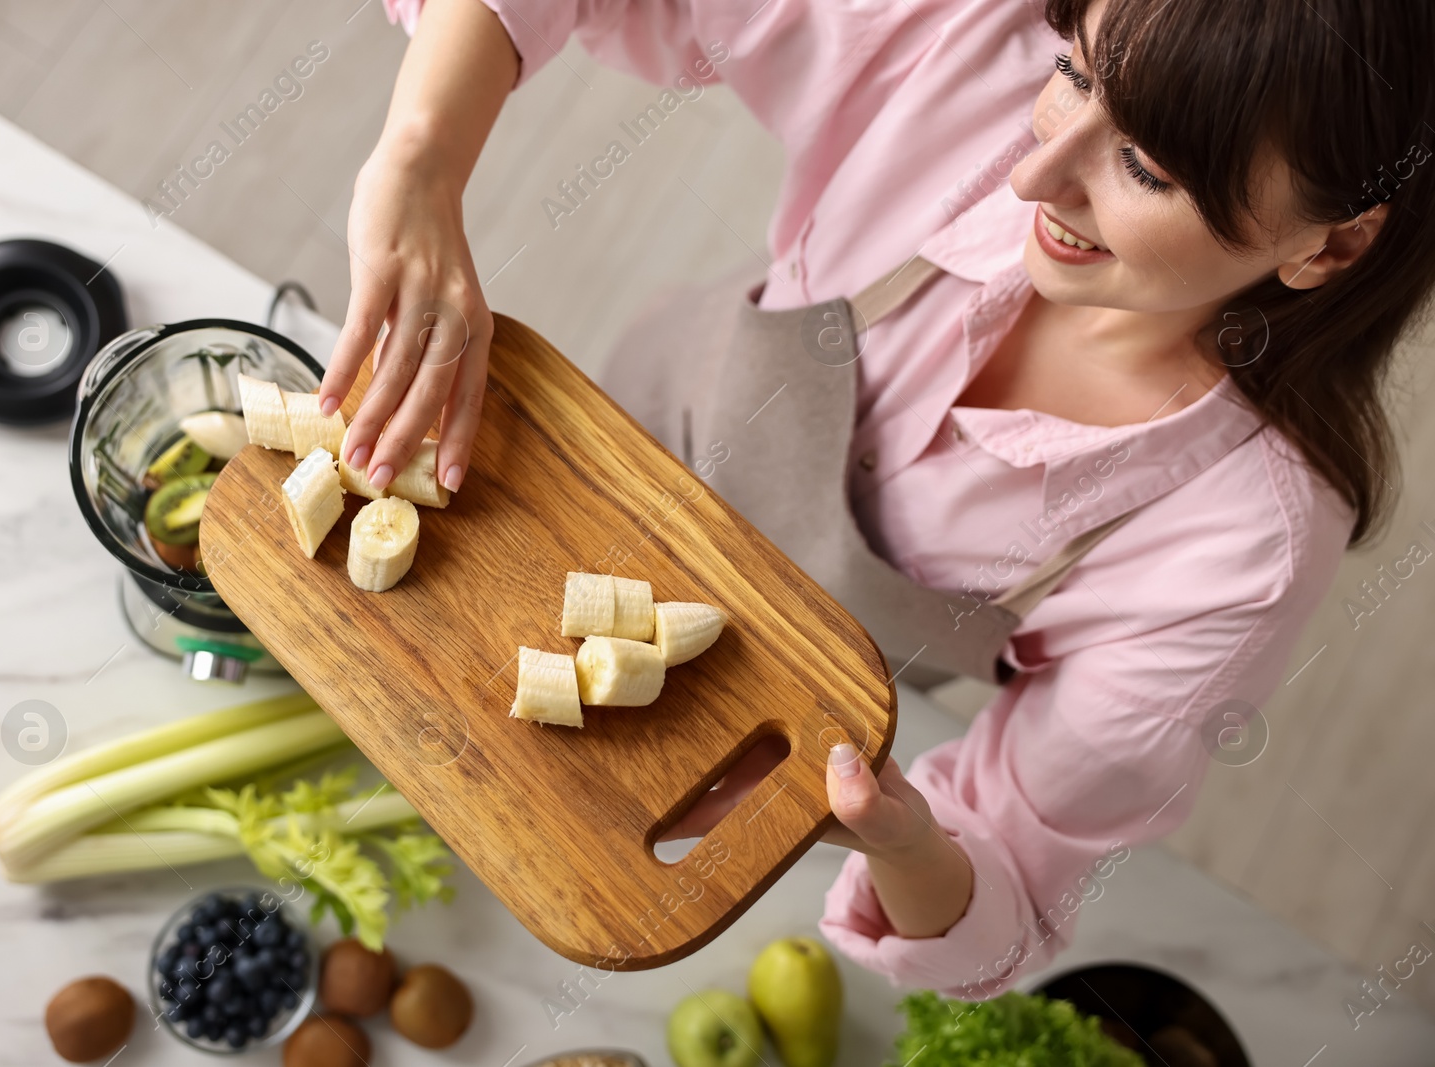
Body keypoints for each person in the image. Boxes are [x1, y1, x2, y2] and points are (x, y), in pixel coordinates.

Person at [318, 0, 1435, 995]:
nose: (1033, 176)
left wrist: (901, 840)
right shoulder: (965, 39)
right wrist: (417, 159)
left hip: (702, 735)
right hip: (596, 444)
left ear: (1328, 244)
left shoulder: (1239, 545)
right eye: (1078, 76)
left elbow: (1006, 894)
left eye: (1145, 169)